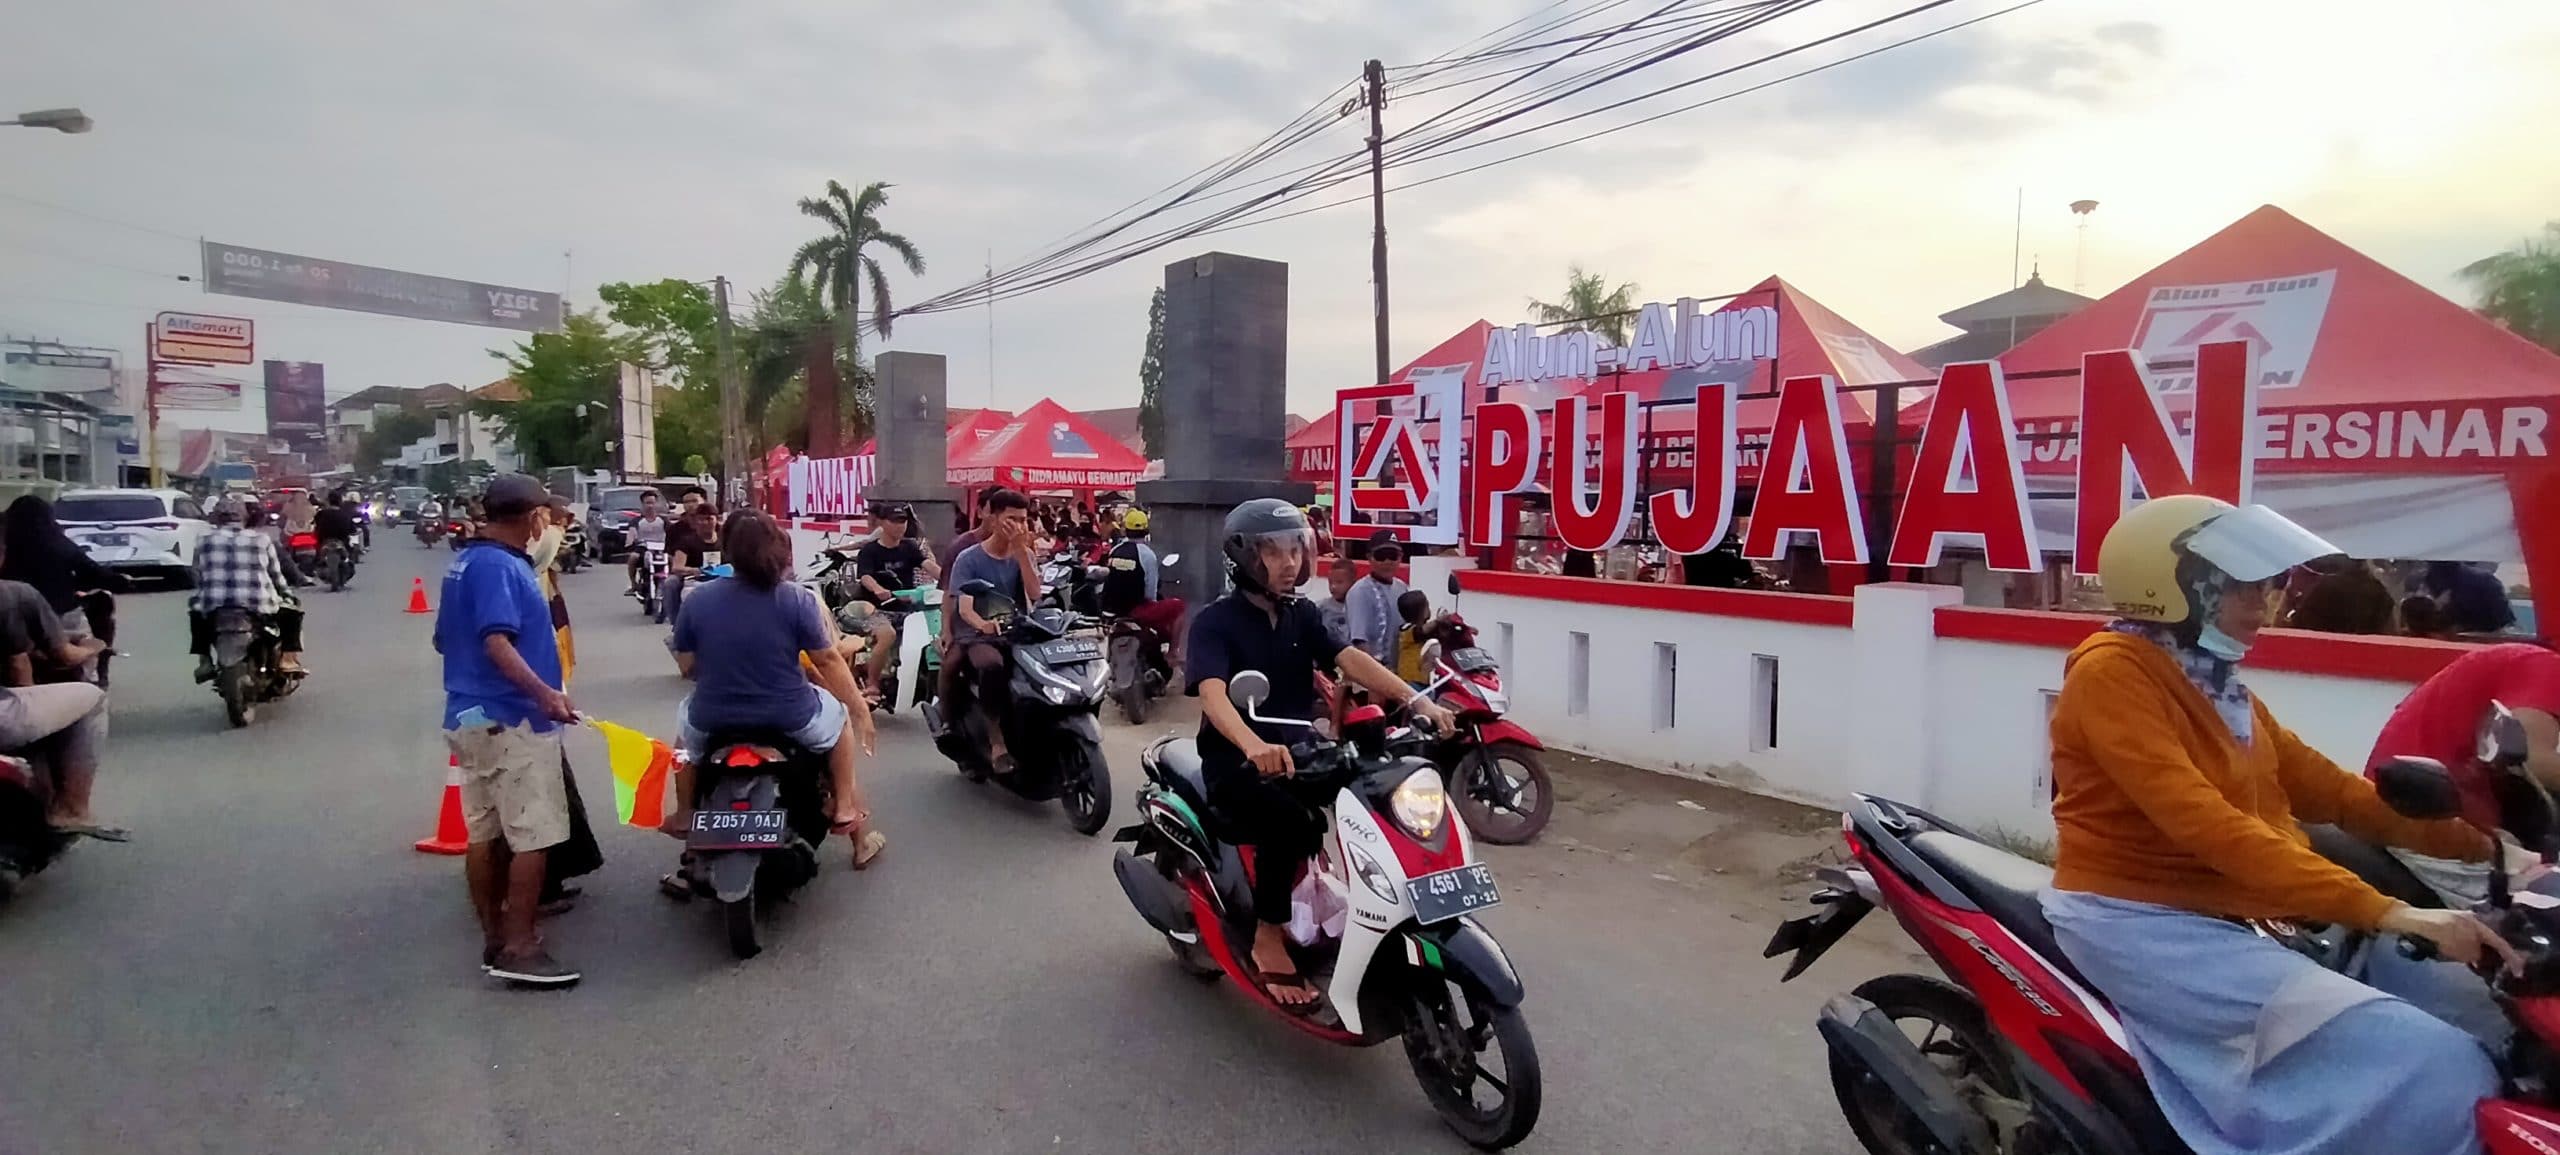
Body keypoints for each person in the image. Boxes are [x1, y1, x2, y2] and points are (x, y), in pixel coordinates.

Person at [2038, 494, 2510, 1155]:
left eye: (2267, 586)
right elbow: (2208, 824)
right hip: (2146, 923)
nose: (2262, 605)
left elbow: (2342, 795)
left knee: (2479, 1011)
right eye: (2240, 587)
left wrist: (2488, 846)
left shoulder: (2216, 683)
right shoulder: (2113, 674)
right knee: (2439, 1066)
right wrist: (2390, 911)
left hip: (2240, 914)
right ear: (2172, 587)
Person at [1187, 499, 1455, 1007]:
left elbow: (1349, 658)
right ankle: (1269, 935)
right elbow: (1214, 695)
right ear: (1244, 556)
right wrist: (1253, 744)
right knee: (1291, 821)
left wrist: (1417, 700)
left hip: (1300, 753)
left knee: (1378, 791)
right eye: (1273, 551)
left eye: (1295, 549)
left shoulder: (1301, 613)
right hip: (1238, 762)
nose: (1289, 562)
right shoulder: (1215, 622)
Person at [668, 511, 883, 866]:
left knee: (683, 745)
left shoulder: (698, 599)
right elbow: (828, 660)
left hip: (713, 715)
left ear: (728, 550)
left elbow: (687, 665)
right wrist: (859, 710)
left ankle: (684, 814)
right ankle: (844, 807)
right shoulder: (797, 599)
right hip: (790, 715)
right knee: (839, 720)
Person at [434, 474, 579, 988]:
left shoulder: (466, 562)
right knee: (532, 835)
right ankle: (519, 946)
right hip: (511, 720)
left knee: (486, 834)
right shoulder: (498, 568)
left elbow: (443, 640)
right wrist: (547, 695)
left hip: (469, 717)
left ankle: (495, 936)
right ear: (532, 517)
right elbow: (496, 641)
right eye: (544, 514)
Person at [2366, 642, 2560, 902]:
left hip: (2434, 806)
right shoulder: (2545, 667)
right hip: (2427, 813)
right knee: (2531, 912)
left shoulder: (2516, 659)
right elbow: (2535, 759)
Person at [526, 496, 600, 912]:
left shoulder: (519, 566)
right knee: (535, 810)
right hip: (524, 709)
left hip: (532, 699)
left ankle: (545, 884)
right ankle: (526, 909)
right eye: (540, 516)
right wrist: (546, 693)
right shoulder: (522, 564)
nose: (549, 525)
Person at [0, 575, 116, 839]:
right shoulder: (13, 593)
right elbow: (51, 658)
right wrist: (95, 647)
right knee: (92, 697)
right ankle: (71, 809)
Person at [946, 488, 1039, 771]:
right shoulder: (969, 558)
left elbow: (1034, 594)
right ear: (995, 519)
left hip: (1016, 629)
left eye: (1023, 520)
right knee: (991, 665)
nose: (1019, 526)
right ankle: (996, 740)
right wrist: (983, 625)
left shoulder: (1024, 554)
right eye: (1012, 519)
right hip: (979, 633)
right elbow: (964, 608)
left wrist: (1022, 551)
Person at [1, 495, 127, 673]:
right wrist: (121, 581)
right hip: (61, 617)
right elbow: (93, 572)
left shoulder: (8, 545)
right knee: (88, 635)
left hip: (15, 620)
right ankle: (99, 667)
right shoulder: (59, 544)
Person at [190, 500, 306, 679]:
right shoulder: (261, 539)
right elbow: (275, 575)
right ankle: (287, 660)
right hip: (257, 604)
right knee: (292, 613)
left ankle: (204, 661)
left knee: (196, 615)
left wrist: (200, 596)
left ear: (217, 518)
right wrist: (287, 594)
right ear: (244, 517)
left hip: (213, 605)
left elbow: (197, 573)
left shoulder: (203, 539)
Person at [852, 502, 934, 699]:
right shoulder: (870, 551)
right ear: (882, 522)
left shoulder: (909, 547)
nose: (900, 525)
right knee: (887, 634)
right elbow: (865, 576)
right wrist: (878, 589)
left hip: (907, 610)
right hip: (874, 610)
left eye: (903, 521)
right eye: (894, 521)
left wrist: (949, 578)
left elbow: (927, 564)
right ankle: (872, 684)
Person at [1100, 508, 1187, 666]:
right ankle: (1173, 653)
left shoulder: (1115, 550)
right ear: (1146, 530)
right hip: (1136, 610)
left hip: (1110, 609)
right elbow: (1151, 593)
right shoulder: (1147, 555)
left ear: (1126, 529)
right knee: (1179, 606)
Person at [1343, 531, 1408, 668]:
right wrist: (1377, 678)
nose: (1387, 561)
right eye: (1381, 556)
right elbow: (1360, 643)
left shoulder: (1401, 588)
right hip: (1369, 674)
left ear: (1400, 557)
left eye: (1393, 556)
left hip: (1398, 673)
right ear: (1369, 558)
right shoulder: (1360, 592)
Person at [2281, 556, 2394, 635]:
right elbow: (2390, 632)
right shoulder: (2378, 592)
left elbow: (2295, 626)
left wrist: (2285, 603)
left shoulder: (2322, 590)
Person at [659, 502, 719, 625]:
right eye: (701, 519)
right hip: (694, 580)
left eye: (709, 519)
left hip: (722, 579)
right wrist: (695, 570)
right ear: (695, 522)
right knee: (670, 583)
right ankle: (677, 624)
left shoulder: (726, 540)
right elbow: (677, 567)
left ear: (716, 520)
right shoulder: (686, 542)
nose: (705, 523)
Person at [2422, 560, 2517, 635]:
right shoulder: (2431, 578)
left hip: (2485, 632)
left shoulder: (2482, 580)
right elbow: (2504, 619)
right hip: (2478, 633)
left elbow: (2503, 618)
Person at [625, 489, 671, 593]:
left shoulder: (664, 521)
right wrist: (629, 542)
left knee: (672, 559)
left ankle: (671, 582)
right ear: (642, 504)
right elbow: (631, 533)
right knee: (633, 557)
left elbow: (672, 534)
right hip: (643, 549)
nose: (650, 506)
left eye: (652, 503)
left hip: (661, 549)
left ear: (656, 504)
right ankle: (633, 584)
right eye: (647, 503)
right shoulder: (636, 521)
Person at [1394, 589, 1434, 686]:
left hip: (1423, 680)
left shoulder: (1425, 630)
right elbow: (1421, 631)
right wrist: (1439, 621)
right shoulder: (1406, 630)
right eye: (1427, 606)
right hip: (1410, 681)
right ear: (1419, 612)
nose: (1429, 609)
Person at [1316, 556, 1357, 643]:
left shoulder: (1360, 608)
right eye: (1330, 582)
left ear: (1353, 582)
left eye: (1339, 582)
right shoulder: (1320, 608)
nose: (1333, 587)